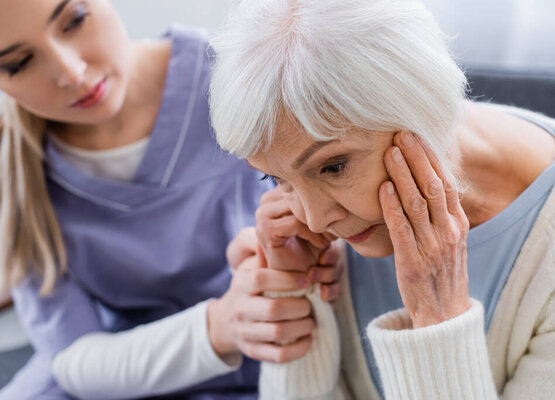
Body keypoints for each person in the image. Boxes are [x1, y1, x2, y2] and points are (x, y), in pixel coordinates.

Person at [209, 0, 555, 398]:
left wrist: (437, 317)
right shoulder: (324, 233)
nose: (312, 220)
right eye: (275, 178)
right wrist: (299, 297)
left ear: (421, 106)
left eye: (333, 167)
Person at [0, 1, 341, 398]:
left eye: (75, 20)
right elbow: (74, 358)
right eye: (19, 63)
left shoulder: (241, 77)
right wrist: (218, 327)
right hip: (117, 375)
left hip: (271, 353)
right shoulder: (18, 172)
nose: (71, 72)